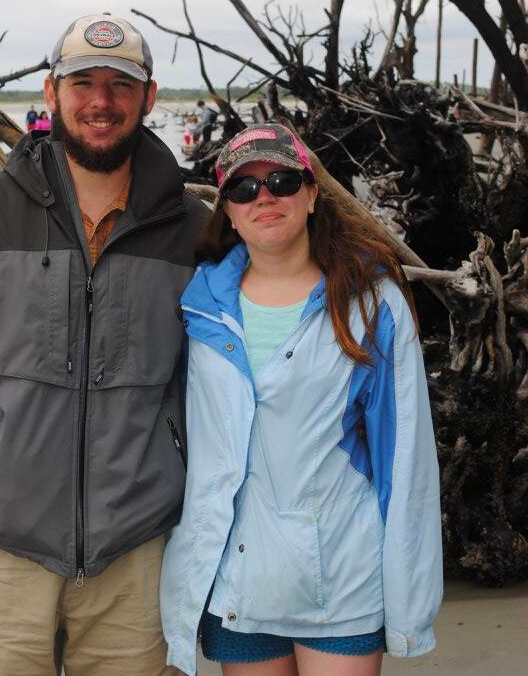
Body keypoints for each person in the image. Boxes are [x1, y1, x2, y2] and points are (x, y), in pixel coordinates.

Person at [0, 14, 209, 676]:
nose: (101, 102)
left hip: (141, 550)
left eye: (121, 86)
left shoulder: (194, 232)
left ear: (149, 98)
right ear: (51, 91)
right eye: (83, 83)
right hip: (1, 542)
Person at [160, 123, 443, 676]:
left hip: (342, 576)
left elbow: (406, 459)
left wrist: (411, 604)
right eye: (243, 189)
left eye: (282, 181)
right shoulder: (200, 305)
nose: (264, 197)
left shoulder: (370, 303)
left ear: (313, 195)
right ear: (228, 211)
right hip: (237, 579)